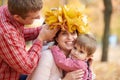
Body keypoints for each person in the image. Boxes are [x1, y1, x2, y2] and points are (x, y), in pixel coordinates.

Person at [27, 5, 91, 80]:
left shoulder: (76, 57)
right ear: (56, 38)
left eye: (73, 33)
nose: (70, 38)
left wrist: (89, 66)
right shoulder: (47, 56)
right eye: (64, 33)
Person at [0, 0, 59, 80]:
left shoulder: (7, 10)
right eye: (34, 18)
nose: (38, 17)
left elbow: (16, 35)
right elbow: (27, 67)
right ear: (17, 17)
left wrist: (40, 30)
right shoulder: (6, 33)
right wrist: (40, 39)